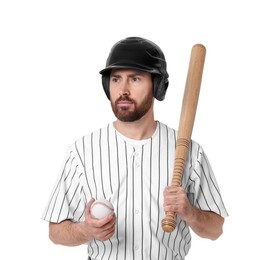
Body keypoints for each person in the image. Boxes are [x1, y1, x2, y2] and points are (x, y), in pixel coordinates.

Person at [42, 36, 228, 260]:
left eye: (136, 79)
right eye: (116, 79)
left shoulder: (190, 151)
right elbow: (55, 232)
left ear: (157, 86)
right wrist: (86, 230)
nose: (123, 90)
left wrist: (191, 213)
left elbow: (216, 229)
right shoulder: (82, 151)